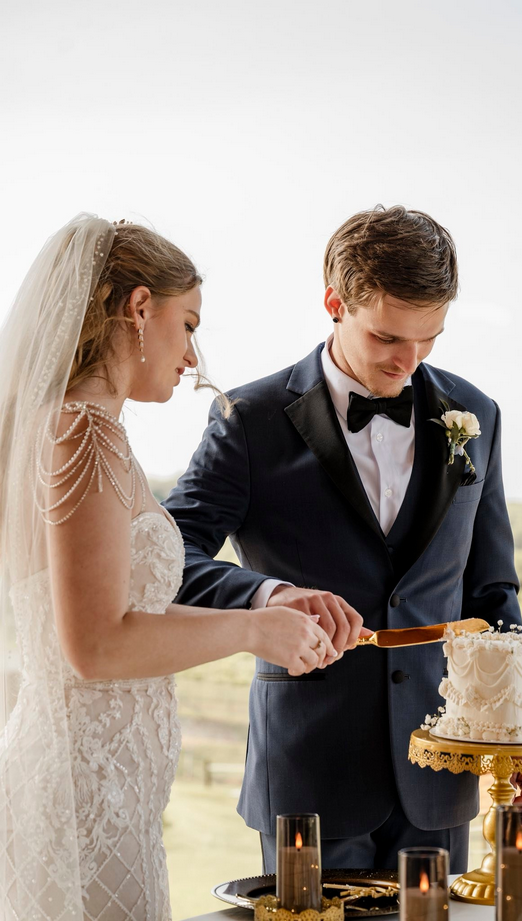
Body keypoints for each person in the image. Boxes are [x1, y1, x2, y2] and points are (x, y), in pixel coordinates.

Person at [165, 205, 522, 873]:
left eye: (429, 338)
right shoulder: (247, 419)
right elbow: (167, 557)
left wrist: (515, 732)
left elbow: (492, 589)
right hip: (308, 774)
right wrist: (267, 595)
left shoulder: (476, 414)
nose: (409, 361)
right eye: (386, 338)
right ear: (333, 302)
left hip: (441, 765)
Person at [0, 214, 339, 921]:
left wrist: (261, 614)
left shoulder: (89, 429)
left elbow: (127, 617)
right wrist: (252, 634)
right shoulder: (79, 431)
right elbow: (95, 646)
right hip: (81, 795)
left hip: (111, 792)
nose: (193, 353)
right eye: (188, 323)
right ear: (138, 307)